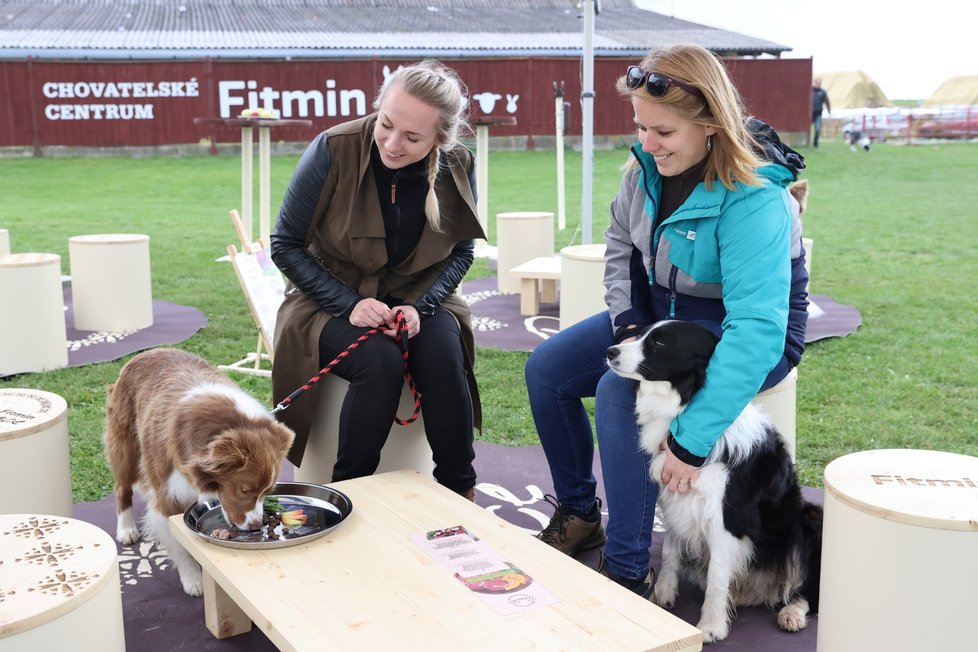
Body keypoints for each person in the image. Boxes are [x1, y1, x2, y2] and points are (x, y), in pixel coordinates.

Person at [525, 43, 809, 596]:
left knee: (615, 390)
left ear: (711, 125)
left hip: (742, 334)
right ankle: (581, 512)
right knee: (548, 370)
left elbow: (756, 332)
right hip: (662, 315)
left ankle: (628, 570)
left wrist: (690, 442)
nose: (646, 145)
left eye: (663, 133)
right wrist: (629, 321)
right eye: (641, 127)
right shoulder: (645, 170)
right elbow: (619, 246)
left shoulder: (755, 199)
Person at [269, 60, 485, 500]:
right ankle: (349, 494)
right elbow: (285, 245)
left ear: (440, 139)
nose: (391, 143)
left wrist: (420, 307)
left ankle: (459, 491)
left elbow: (462, 251)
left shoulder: (459, 161)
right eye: (386, 125)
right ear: (378, 107)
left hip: (420, 297)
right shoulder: (334, 147)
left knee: (444, 355)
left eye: (412, 137)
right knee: (379, 363)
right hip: (326, 298)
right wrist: (347, 304)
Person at [811, 78, 831, 147]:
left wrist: (829, 111)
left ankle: (815, 142)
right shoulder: (810, 91)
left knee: (817, 129)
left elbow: (827, 102)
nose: (818, 84)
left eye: (819, 83)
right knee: (806, 129)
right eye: (817, 83)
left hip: (818, 114)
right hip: (809, 115)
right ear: (814, 83)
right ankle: (806, 142)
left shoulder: (823, 92)